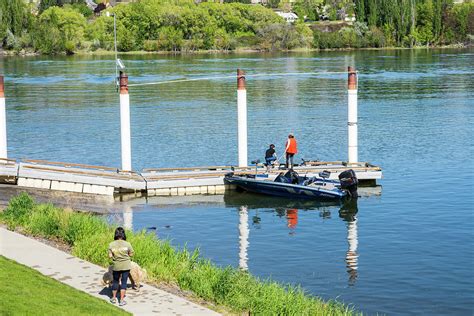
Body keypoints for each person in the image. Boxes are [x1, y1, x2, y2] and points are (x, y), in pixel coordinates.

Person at [108, 227, 134, 306]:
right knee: (124, 282)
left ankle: (113, 298)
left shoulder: (111, 244)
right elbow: (131, 254)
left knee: (115, 282)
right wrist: (126, 254)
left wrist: (114, 254)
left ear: (116, 234)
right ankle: (121, 300)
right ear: (123, 234)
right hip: (126, 266)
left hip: (116, 266)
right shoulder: (128, 244)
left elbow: (110, 256)